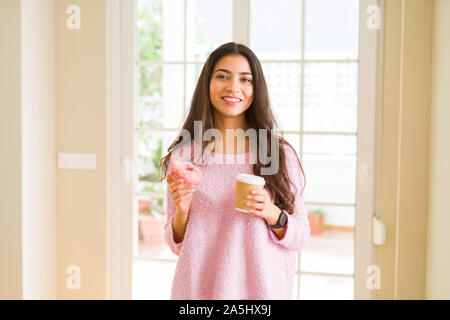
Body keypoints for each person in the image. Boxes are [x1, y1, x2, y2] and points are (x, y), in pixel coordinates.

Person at [158, 42, 310, 300]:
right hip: (198, 294)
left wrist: (272, 213)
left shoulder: (277, 153)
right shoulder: (185, 155)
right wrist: (182, 209)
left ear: (256, 88)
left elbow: (300, 235)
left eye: (245, 79)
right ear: (207, 83)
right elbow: (176, 243)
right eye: (223, 76)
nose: (233, 87)